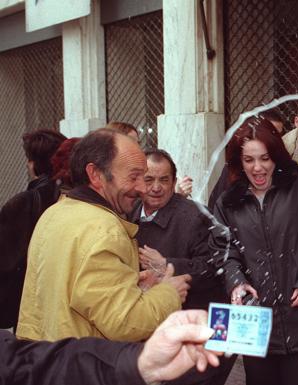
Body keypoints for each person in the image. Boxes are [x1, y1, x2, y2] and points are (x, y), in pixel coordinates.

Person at [17, 128, 191, 341]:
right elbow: (126, 323)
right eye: (134, 176)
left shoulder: (54, 213)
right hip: (83, 367)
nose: (142, 188)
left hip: (46, 361)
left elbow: (74, 290)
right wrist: (169, 294)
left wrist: (129, 283)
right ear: (96, 175)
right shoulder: (104, 230)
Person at [211, 116, 298, 385]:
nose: (258, 168)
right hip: (255, 325)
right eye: (249, 160)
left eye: (265, 158)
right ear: (238, 162)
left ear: (276, 155)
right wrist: (235, 282)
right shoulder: (228, 201)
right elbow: (223, 251)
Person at [131, 148, 235, 385]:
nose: (156, 187)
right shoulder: (128, 215)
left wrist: (168, 265)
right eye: (149, 179)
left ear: (174, 182)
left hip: (197, 332)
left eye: (164, 180)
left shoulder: (196, 216)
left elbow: (216, 267)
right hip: (151, 328)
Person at [1, 309, 221, 385]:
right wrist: (168, 292)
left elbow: (27, 367)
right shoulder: (107, 228)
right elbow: (122, 321)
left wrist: (140, 364)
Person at [0, 129, 66, 329]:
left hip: (24, 304)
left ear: (33, 163)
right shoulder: (69, 196)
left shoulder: (23, 202)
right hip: (57, 298)